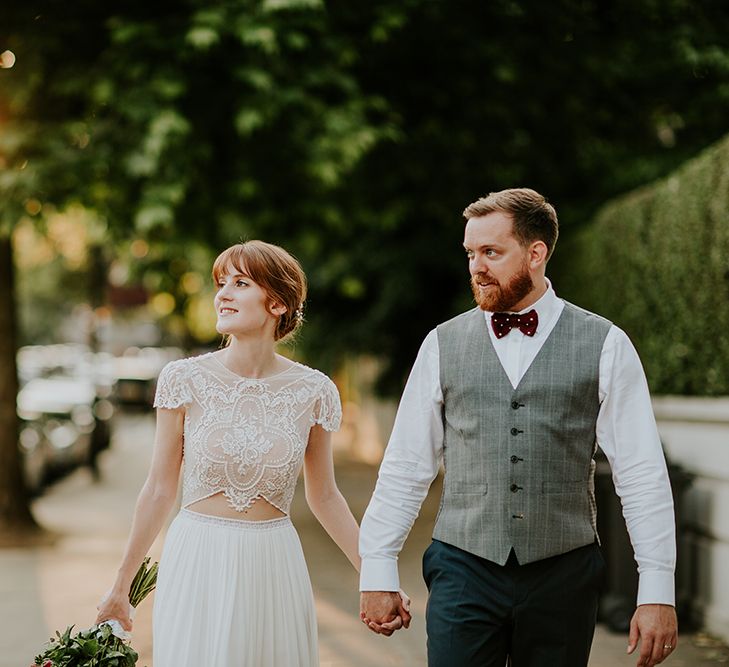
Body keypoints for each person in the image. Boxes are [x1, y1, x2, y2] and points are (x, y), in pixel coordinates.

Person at [358, 188, 678, 667]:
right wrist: (377, 571)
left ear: (536, 253)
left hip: (564, 572)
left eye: (491, 252)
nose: (475, 266)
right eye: (470, 253)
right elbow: (407, 464)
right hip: (463, 565)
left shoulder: (606, 343)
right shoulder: (442, 343)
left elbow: (641, 473)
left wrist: (657, 589)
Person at [96, 240, 409, 666]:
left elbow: (326, 497)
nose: (222, 294)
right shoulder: (183, 379)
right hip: (198, 558)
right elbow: (157, 490)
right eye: (221, 283)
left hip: (274, 563)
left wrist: (377, 576)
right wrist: (120, 587)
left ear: (277, 303)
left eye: (240, 283)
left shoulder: (314, 391)